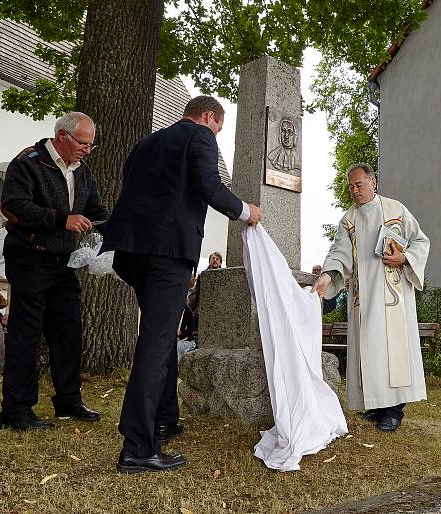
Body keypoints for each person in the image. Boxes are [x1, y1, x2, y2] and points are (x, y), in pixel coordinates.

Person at [101, 95, 261, 473]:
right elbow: (210, 186)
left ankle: (165, 418)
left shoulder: (147, 143)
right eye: (219, 127)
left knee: (161, 335)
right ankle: (138, 446)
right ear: (209, 117)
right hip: (167, 252)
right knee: (156, 344)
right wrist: (245, 212)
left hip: (132, 252)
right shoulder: (200, 136)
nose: (216, 134)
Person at [0, 111, 108, 431]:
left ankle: (68, 399)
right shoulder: (28, 163)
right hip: (29, 257)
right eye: (83, 143)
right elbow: (13, 205)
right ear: (62, 136)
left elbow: (97, 212)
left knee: (69, 330)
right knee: (26, 333)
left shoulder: (83, 171)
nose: (87, 150)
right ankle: (16, 410)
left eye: (91, 145)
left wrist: (112, 233)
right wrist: (61, 219)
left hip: (62, 262)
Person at [312, 162, 430, 432]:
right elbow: (339, 252)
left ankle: (394, 411)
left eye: (359, 185)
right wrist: (327, 277)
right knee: (368, 350)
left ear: (373, 182)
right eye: (351, 186)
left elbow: (421, 241)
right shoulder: (349, 219)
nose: (354, 191)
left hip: (392, 296)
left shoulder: (396, 210)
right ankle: (377, 406)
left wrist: (405, 257)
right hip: (362, 297)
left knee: (391, 351)